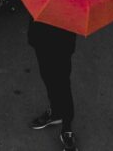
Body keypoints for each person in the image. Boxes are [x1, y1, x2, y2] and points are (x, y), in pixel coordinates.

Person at [28, 16, 79, 151]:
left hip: (61, 41)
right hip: (40, 35)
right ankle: (56, 111)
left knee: (62, 83)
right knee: (47, 76)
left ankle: (67, 128)